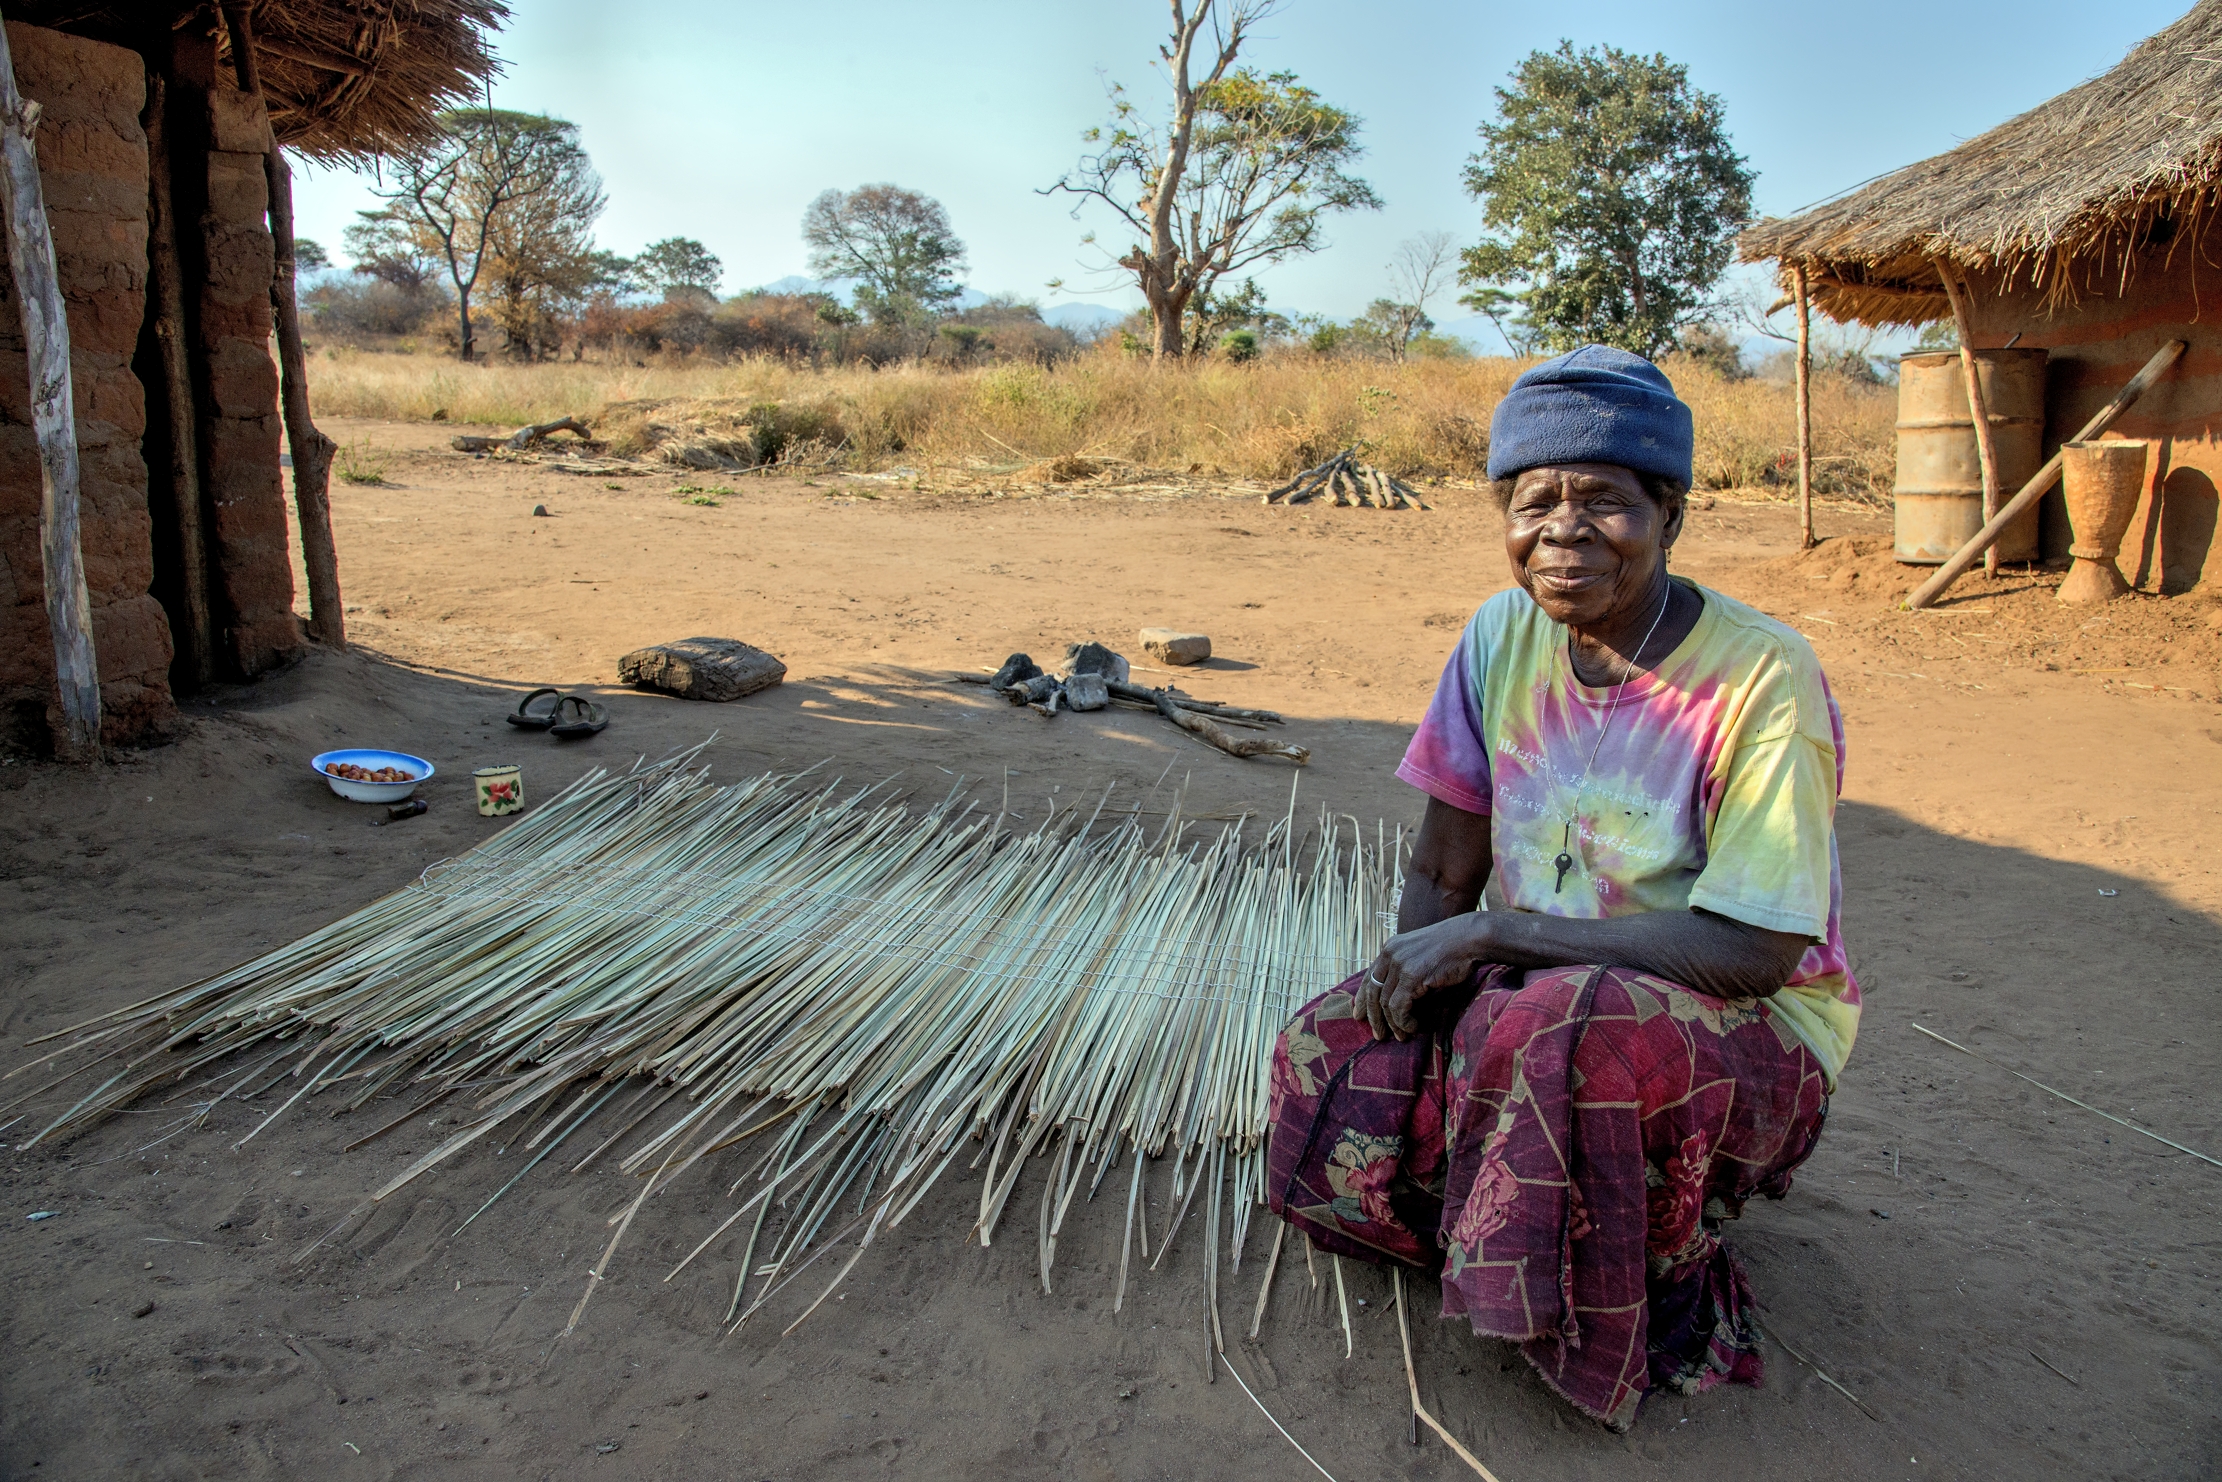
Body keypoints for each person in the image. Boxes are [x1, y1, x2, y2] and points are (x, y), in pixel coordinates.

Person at [1264, 345, 1857, 1431]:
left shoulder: (1762, 675)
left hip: (1736, 1026)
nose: (1564, 532)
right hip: (1536, 991)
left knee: (1563, 1033)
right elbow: (1442, 867)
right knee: (1330, 1042)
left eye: (1606, 502)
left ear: (1669, 514)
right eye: (1535, 501)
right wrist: (1416, 995)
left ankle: (1633, 1272)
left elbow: (1756, 953)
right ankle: (1491, 1218)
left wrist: (1496, 935)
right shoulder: (1500, 634)